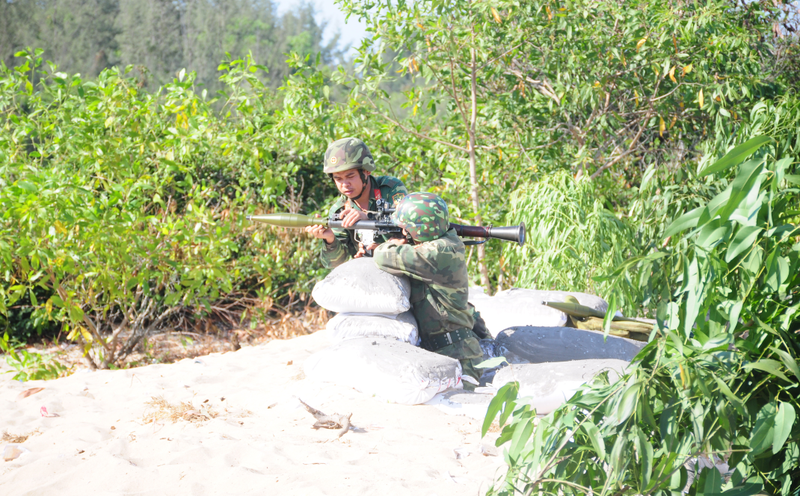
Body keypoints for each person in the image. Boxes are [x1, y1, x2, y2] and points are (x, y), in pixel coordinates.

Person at [372, 192, 486, 386]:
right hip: (445, 351)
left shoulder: (438, 253)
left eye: (405, 229)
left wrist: (389, 244)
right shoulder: (444, 243)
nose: (403, 233)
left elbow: (383, 256)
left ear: (418, 230)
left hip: (459, 358)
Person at [305, 137, 407, 268]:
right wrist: (330, 239)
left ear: (366, 171)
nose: (345, 184)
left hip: (400, 264)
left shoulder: (390, 188)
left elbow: (409, 224)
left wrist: (368, 217)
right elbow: (333, 263)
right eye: (338, 179)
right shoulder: (340, 210)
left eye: (350, 176)